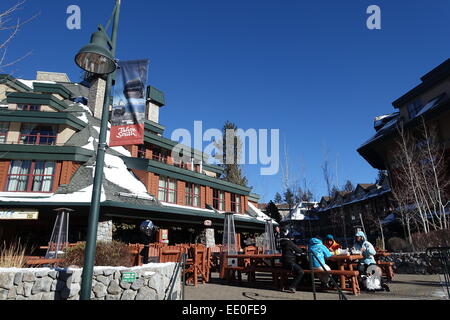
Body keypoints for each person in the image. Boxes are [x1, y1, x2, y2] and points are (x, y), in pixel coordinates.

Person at [280, 228, 305, 293]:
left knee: (297, 270)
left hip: (284, 262)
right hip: (290, 261)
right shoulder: (289, 243)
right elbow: (299, 250)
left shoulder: (283, 243)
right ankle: (292, 286)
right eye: (293, 238)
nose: (294, 239)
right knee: (301, 271)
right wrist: (303, 250)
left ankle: (291, 284)